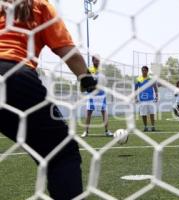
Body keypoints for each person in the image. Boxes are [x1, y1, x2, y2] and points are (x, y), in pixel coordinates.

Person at [0, 1, 96, 199]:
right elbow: (68, 52)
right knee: (60, 153)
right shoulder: (38, 5)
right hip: (13, 75)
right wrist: (87, 79)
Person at [81, 54, 113, 138]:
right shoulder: (89, 70)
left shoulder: (102, 70)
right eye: (96, 60)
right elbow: (85, 81)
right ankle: (86, 132)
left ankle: (107, 131)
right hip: (91, 95)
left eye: (98, 60)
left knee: (104, 112)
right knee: (88, 113)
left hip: (102, 95)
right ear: (92, 61)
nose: (97, 61)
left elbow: (105, 82)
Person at [135, 66, 158, 132]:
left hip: (151, 99)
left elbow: (155, 88)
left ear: (147, 71)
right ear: (141, 71)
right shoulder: (138, 79)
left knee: (152, 113)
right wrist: (135, 98)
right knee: (143, 114)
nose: (144, 72)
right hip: (142, 100)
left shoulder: (151, 78)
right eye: (143, 70)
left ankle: (153, 126)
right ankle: (145, 127)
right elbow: (135, 90)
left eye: (145, 70)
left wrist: (156, 96)